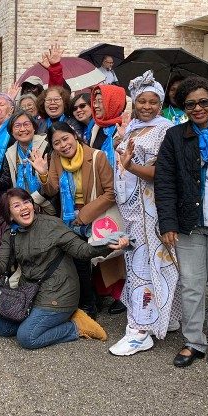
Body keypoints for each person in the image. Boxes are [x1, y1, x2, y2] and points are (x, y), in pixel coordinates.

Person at [0, 188, 130, 349]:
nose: (24, 207)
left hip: (59, 292)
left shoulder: (52, 225)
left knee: (27, 337)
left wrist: (108, 245)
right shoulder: (11, 233)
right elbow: (1, 267)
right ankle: (42, 321)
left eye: (26, 202)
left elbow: (82, 251)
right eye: (16, 206)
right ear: (9, 214)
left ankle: (76, 326)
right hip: (30, 293)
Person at [154, 76, 208, 368]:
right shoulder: (175, 136)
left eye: (204, 102)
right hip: (189, 222)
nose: (198, 108)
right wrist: (167, 223)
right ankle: (193, 340)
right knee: (191, 284)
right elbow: (164, 182)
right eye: (190, 104)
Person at [107, 71, 180, 356]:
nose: (147, 106)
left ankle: (139, 330)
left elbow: (160, 173)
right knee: (144, 264)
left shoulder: (165, 130)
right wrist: (119, 143)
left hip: (150, 211)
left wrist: (130, 165)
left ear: (160, 104)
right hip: (131, 212)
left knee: (145, 267)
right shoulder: (133, 126)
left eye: (152, 102)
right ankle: (165, 317)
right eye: (141, 101)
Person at [30, 122, 116, 318]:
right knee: (78, 261)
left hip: (94, 216)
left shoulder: (97, 156)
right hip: (69, 219)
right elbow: (51, 190)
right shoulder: (56, 159)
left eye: (65, 138)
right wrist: (43, 172)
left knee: (93, 260)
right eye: (57, 142)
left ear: (74, 136)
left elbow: (111, 193)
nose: (63, 145)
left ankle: (93, 300)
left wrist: (84, 215)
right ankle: (88, 305)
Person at [88, 84, 128, 311]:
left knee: (115, 243)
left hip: (117, 196)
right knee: (101, 241)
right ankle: (106, 290)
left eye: (101, 101)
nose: (96, 105)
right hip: (98, 193)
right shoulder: (95, 127)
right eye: (95, 100)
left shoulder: (122, 127)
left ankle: (120, 294)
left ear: (114, 102)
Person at [4, 110, 54, 214]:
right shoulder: (10, 152)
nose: (22, 129)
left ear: (34, 127)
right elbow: (7, 181)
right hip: (22, 208)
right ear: (11, 132)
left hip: (48, 205)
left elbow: (54, 182)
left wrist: (32, 200)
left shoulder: (47, 145)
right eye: (17, 126)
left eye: (26, 124)